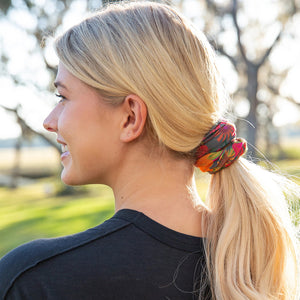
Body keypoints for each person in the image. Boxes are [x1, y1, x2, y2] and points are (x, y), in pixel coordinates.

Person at [0, 1, 298, 299]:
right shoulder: (251, 264)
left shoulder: (34, 281)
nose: (49, 121)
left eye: (62, 96)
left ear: (130, 117)